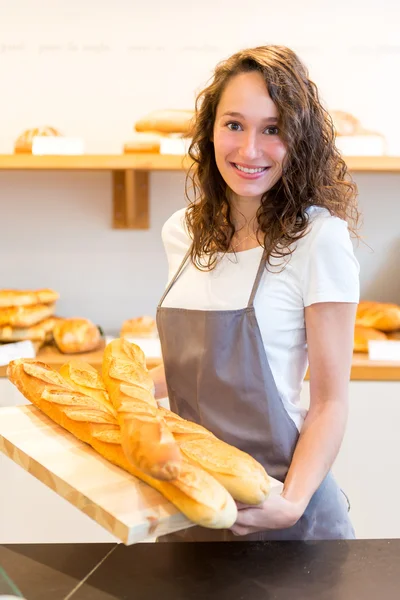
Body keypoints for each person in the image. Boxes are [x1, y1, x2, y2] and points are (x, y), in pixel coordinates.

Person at [151, 45, 360, 541]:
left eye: (272, 129)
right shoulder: (181, 233)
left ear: (299, 139)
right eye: (234, 125)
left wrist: (290, 502)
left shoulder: (318, 240)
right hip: (194, 498)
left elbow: (330, 402)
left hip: (284, 508)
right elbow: (200, 365)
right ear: (210, 131)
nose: (249, 151)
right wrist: (130, 390)